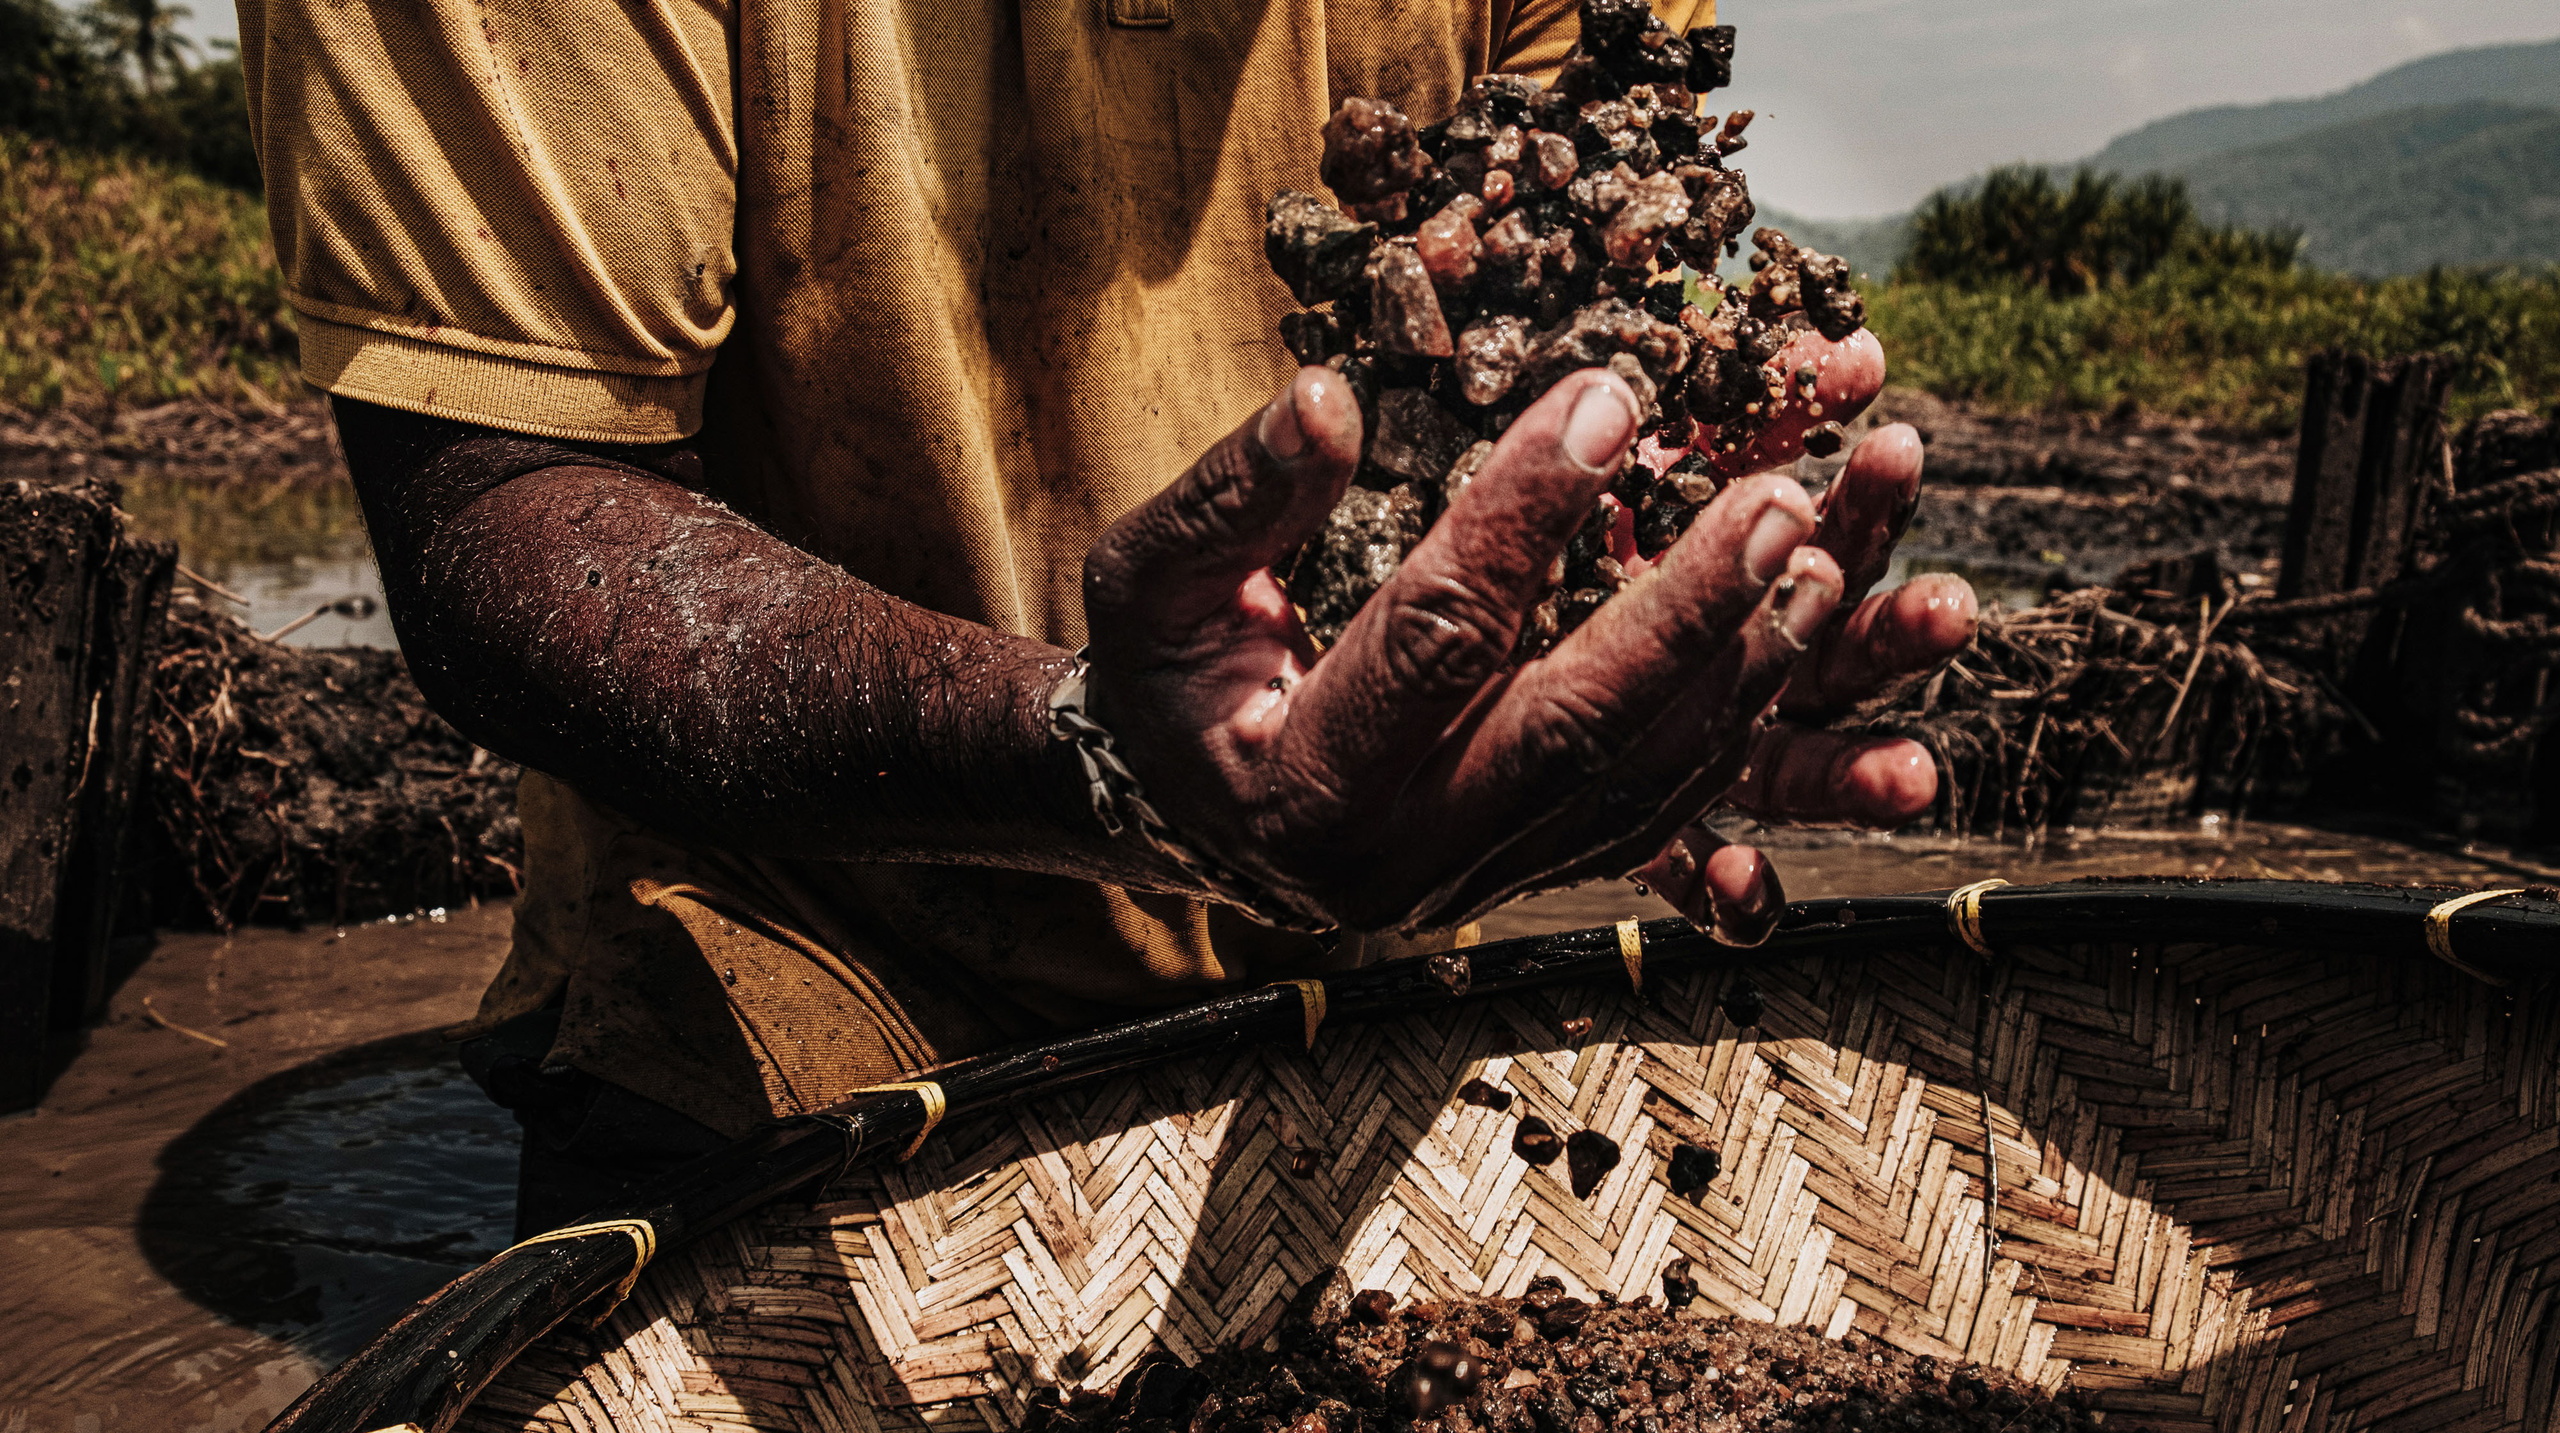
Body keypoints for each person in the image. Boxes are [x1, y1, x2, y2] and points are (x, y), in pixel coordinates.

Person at [236, 0, 1975, 1229]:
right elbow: (498, 507)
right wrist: (1108, 764)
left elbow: (1570, 279)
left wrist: (1625, 628)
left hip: (1344, 992)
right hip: (788, 991)